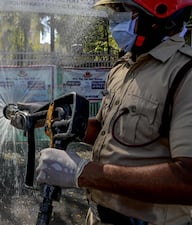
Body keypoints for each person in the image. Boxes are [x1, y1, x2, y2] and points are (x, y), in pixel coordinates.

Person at [35, 0, 192, 224]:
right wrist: (48, 115)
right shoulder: (124, 67)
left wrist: (84, 172)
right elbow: (104, 129)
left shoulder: (185, 74)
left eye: (125, 11)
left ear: (159, 18)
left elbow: (187, 180)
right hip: (99, 216)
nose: (116, 19)